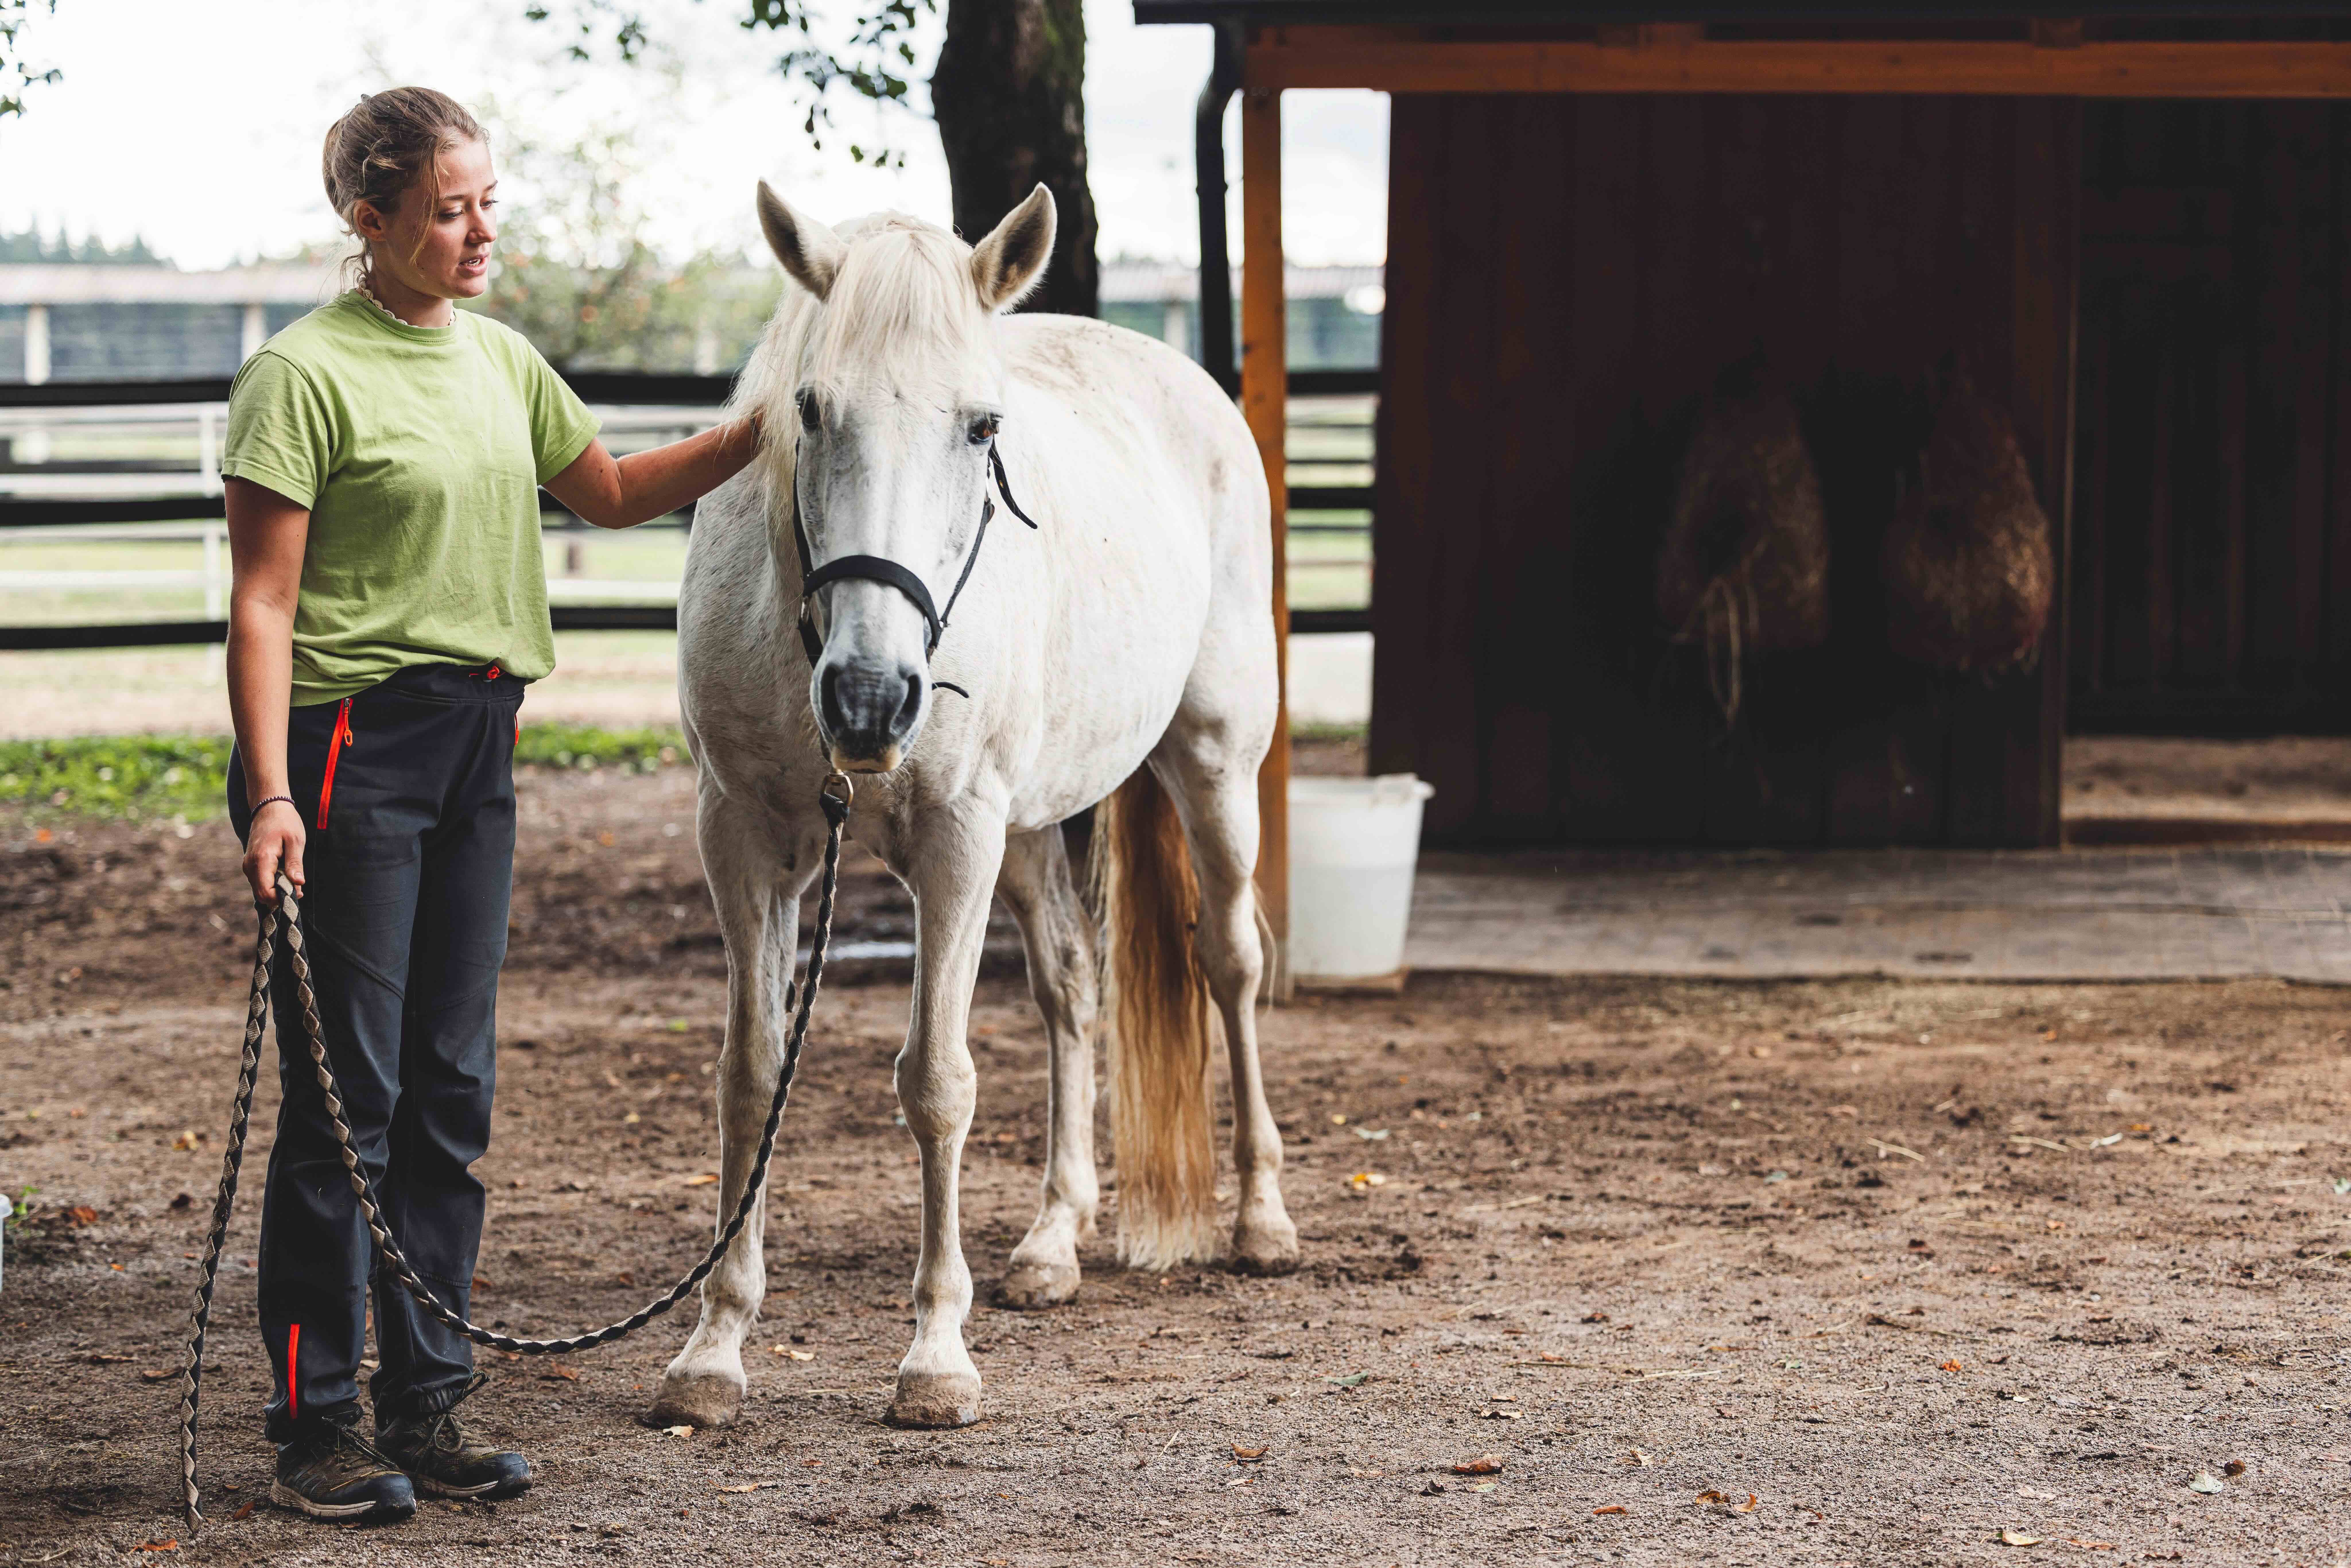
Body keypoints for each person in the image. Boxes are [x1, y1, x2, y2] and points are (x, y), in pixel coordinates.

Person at [221, 86, 761, 1523]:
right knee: (350, 1100)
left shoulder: (504, 360)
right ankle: (315, 1427)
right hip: (347, 748)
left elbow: (616, 491)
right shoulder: (299, 376)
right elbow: (263, 604)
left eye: (487, 206)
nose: (478, 234)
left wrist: (763, 431)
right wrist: (270, 793)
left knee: (450, 1088)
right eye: (448, 210)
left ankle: (427, 1400)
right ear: (370, 218)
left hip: (477, 740)